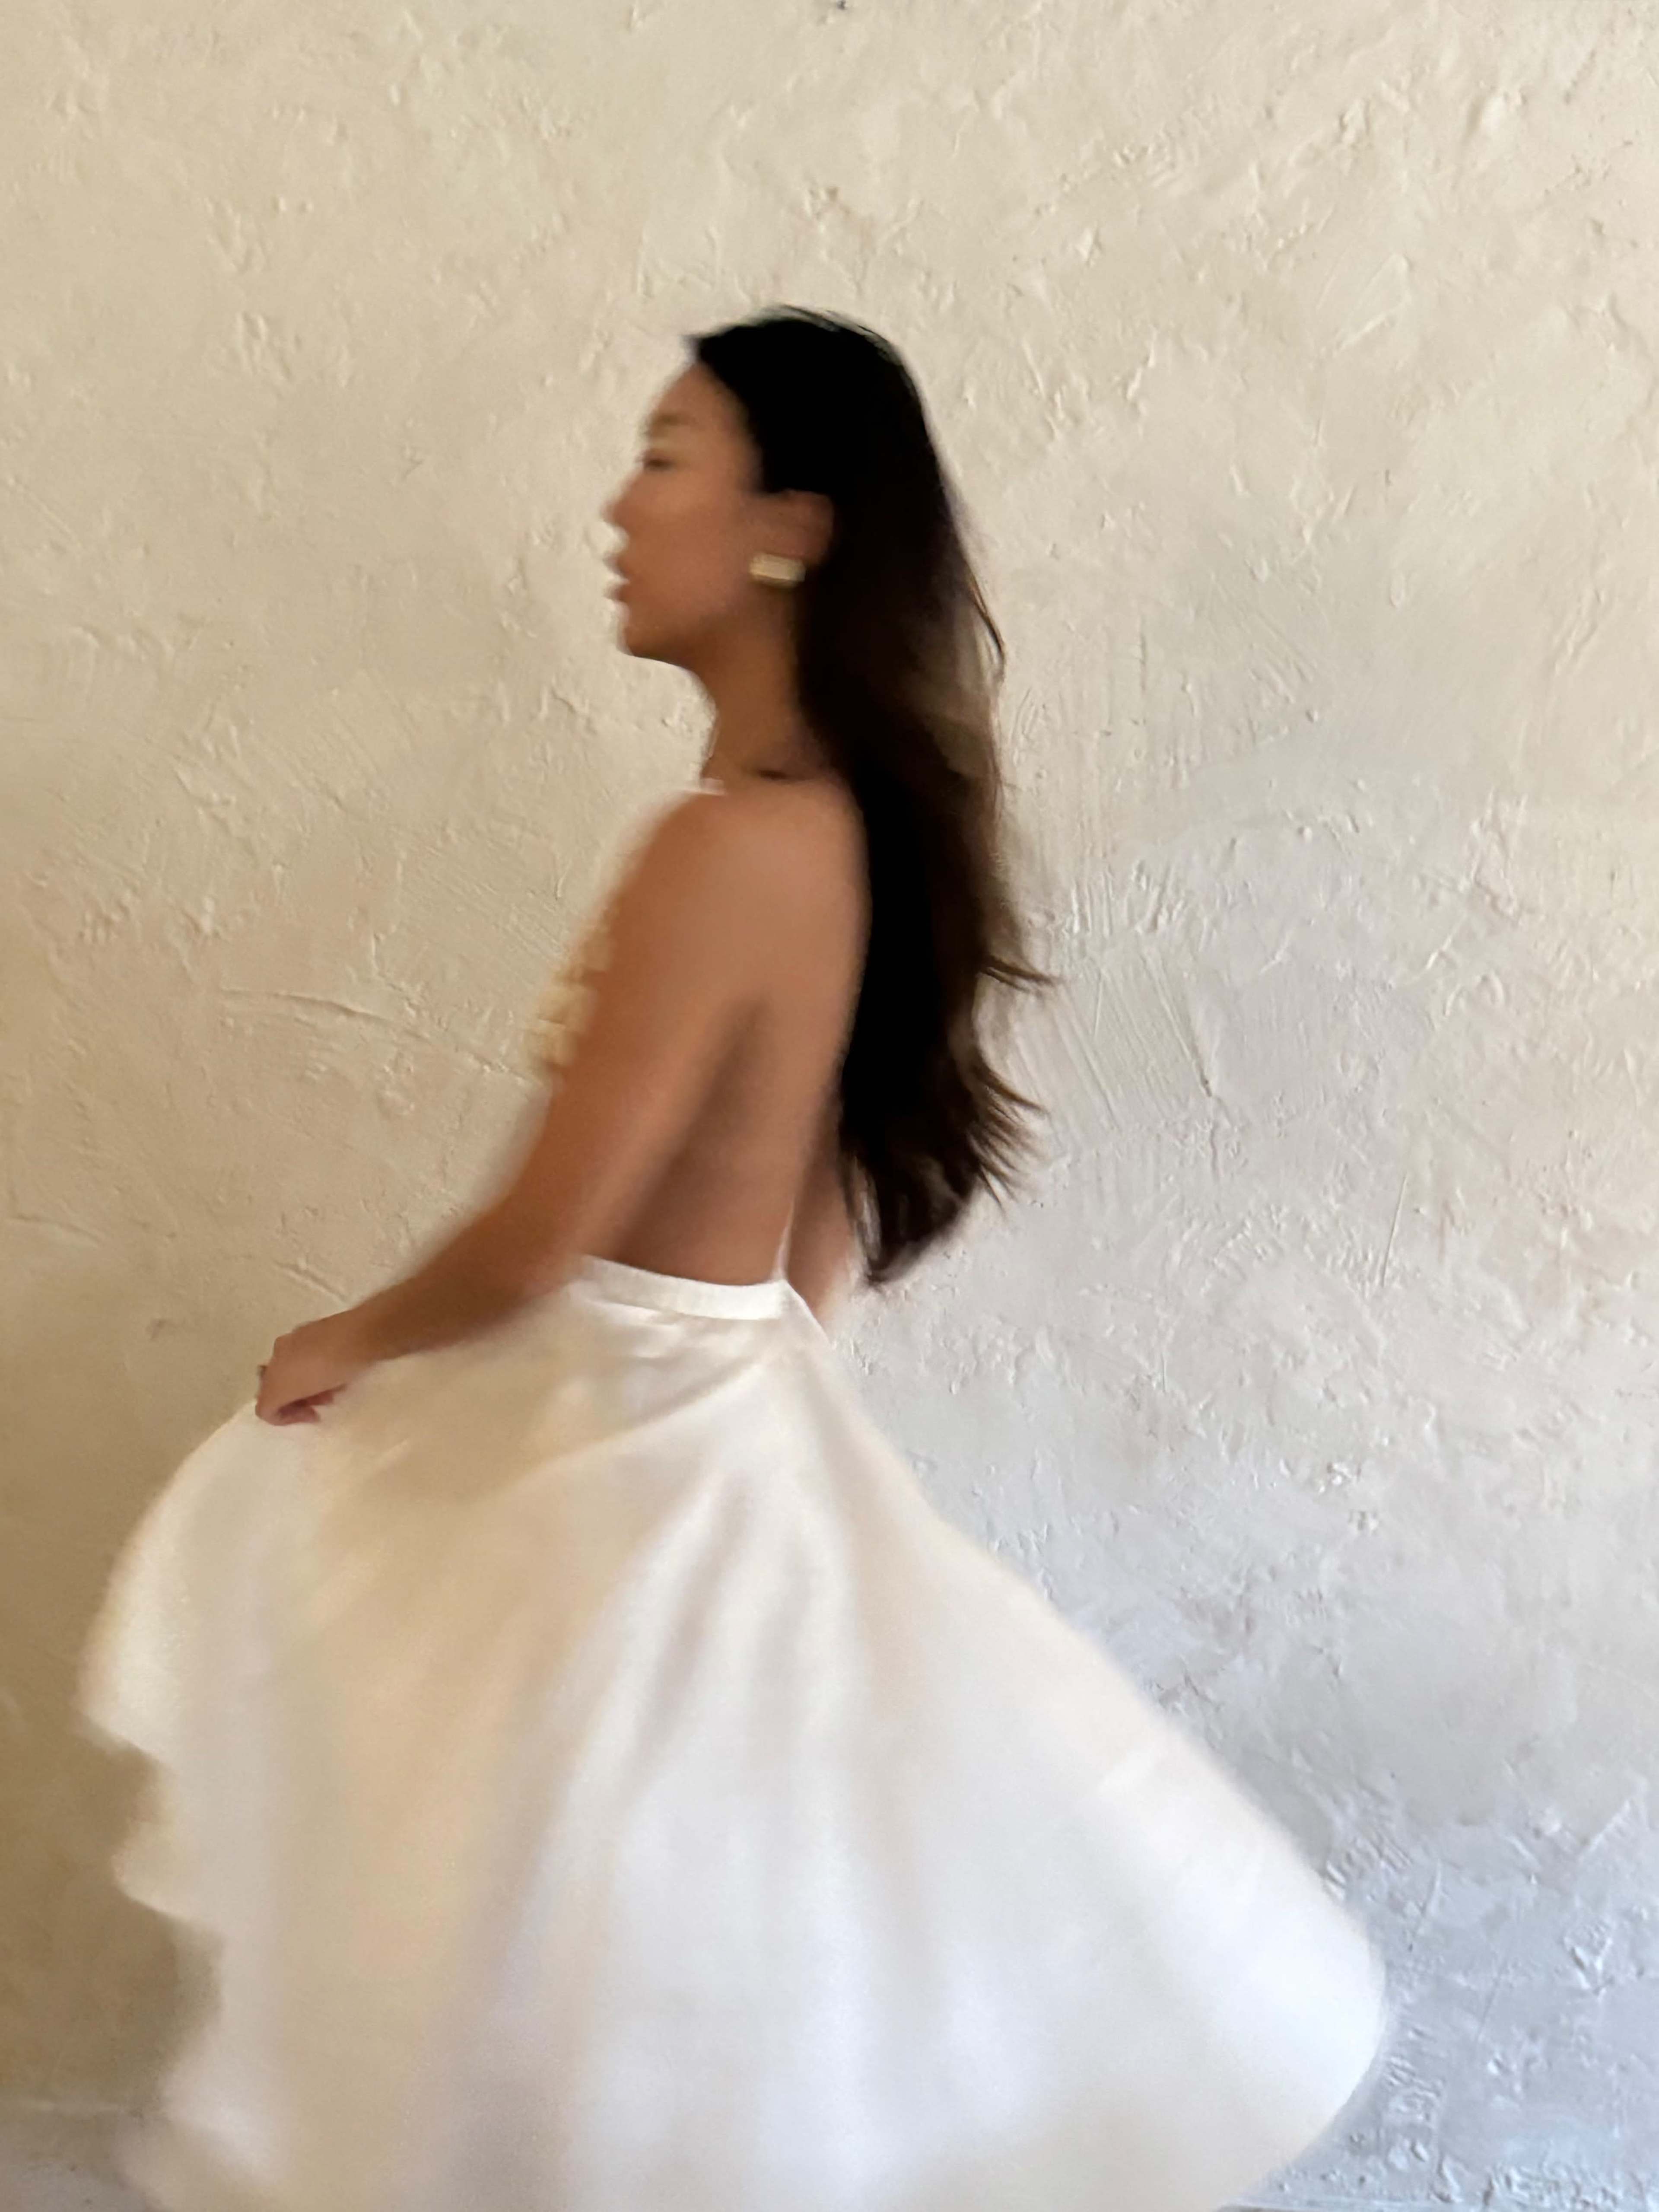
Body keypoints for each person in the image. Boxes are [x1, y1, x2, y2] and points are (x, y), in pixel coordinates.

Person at [80, 306, 1387, 2212]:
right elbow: (823, 1212)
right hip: (707, 1429)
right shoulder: (847, 833)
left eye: (666, 455)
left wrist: (338, 1334)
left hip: (629, 1471)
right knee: (675, 1992)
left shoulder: (725, 843)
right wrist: (755, 1385)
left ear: (793, 523)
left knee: (534, 1980)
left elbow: (544, 1234)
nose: (620, 505)